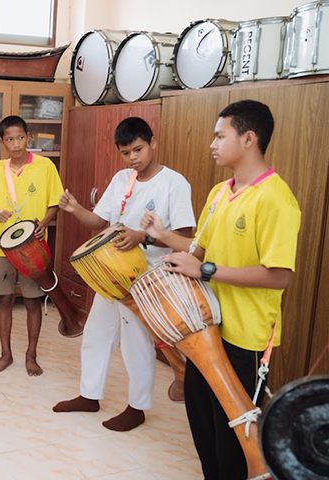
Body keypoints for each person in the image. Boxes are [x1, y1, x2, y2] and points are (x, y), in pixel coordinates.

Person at [140, 100, 300, 479]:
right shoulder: (218, 192)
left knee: (234, 437)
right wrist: (167, 242)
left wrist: (205, 270)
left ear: (248, 139)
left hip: (245, 335)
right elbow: (200, 250)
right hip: (205, 327)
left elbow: (279, 276)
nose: (212, 144)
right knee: (203, 423)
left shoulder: (276, 199)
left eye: (219, 135)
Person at [52, 117, 196, 431]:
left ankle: (137, 407)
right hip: (111, 275)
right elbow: (99, 222)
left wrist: (141, 236)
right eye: (126, 152)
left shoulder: (174, 183)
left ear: (153, 143)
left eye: (138, 149)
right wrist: (76, 208)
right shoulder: (122, 179)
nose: (133, 158)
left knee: (136, 345)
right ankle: (89, 396)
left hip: (145, 281)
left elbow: (186, 236)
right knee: (95, 336)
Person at [0, 115, 64, 376]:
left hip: (34, 246)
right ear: (1, 141)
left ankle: (31, 355)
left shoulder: (45, 166)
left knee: (32, 300)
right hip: (1, 246)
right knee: (4, 299)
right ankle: (5, 354)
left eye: (20, 138)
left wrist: (46, 223)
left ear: (29, 137)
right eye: (9, 139)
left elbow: (55, 203)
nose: (16, 144)